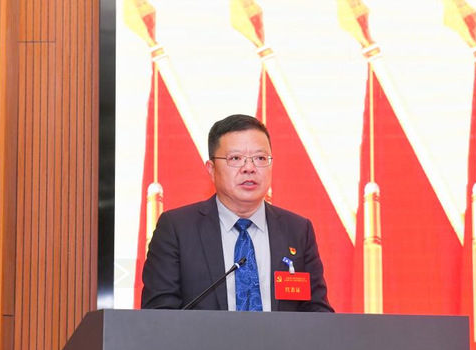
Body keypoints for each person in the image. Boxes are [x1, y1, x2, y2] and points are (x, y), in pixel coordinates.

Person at [141, 114, 334, 312]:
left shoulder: (297, 230)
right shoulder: (177, 229)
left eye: (260, 158)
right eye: (235, 158)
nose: (249, 168)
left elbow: (317, 312)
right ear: (211, 169)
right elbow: (159, 314)